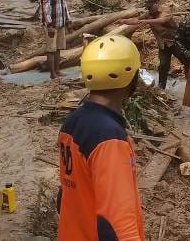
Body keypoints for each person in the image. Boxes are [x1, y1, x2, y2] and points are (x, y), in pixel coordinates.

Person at [57, 34, 145, 241]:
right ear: (130, 78)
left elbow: (68, 195)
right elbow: (118, 223)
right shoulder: (110, 139)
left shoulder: (72, 123)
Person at [141, 0, 187, 89]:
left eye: (150, 6)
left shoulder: (165, 10)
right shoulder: (148, 14)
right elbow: (137, 20)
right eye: (147, 6)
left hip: (174, 41)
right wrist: (124, 21)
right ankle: (162, 88)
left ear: (157, 4)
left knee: (186, 60)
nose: (148, 8)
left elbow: (162, 20)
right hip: (163, 44)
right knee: (163, 66)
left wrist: (147, 21)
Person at [39, 0, 73, 79]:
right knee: (51, 49)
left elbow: (64, 6)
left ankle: (57, 70)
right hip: (51, 25)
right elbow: (45, 10)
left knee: (58, 48)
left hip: (61, 23)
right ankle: (52, 73)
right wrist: (49, 25)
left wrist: (68, 20)